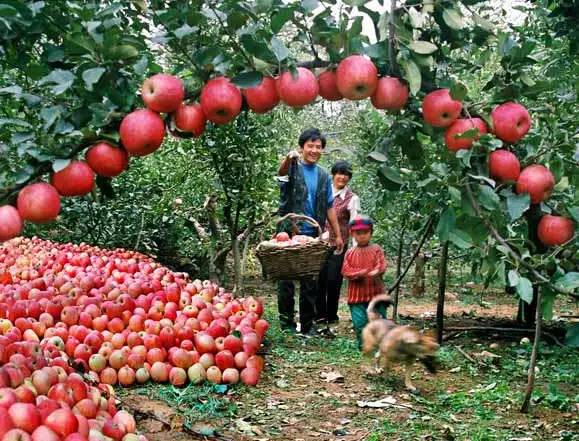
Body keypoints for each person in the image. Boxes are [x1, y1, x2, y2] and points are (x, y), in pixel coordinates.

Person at [276, 128, 344, 336]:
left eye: (318, 147)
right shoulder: (293, 167)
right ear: (302, 147)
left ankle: (308, 324)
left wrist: (337, 234)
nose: (314, 150)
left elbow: (329, 206)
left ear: (322, 149)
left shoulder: (324, 175)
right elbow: (280, 174)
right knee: (285, 277)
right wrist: (288, 159)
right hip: (288, 230)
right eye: (310, 146)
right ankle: (286, 323)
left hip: (312, 231)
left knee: (310, 279)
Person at [316, 160, 360, 325]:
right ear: (333, 175)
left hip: (339, 245)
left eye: (346, 175)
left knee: (333, 280)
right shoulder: (324, 193)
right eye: (339, 174)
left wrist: (355, 251)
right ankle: (319, 314)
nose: (342, 177)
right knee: (319, 278)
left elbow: (354, 225)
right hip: (320, 244)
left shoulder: (352, 198)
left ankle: (331, 314)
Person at [341, 215, 387, 348]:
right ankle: (364, 346)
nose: (362, 236)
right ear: (352, 234)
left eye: (365, 232)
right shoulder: (349, 253)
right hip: (356, 297)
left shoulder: (376, 249)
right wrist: (359, 273)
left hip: (376, 295)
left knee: (380, 321)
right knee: (360, 323)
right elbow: (345, 270)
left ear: (371, 233)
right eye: (358, 233)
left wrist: (376, 271)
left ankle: (381, 346)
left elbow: (381, 265)